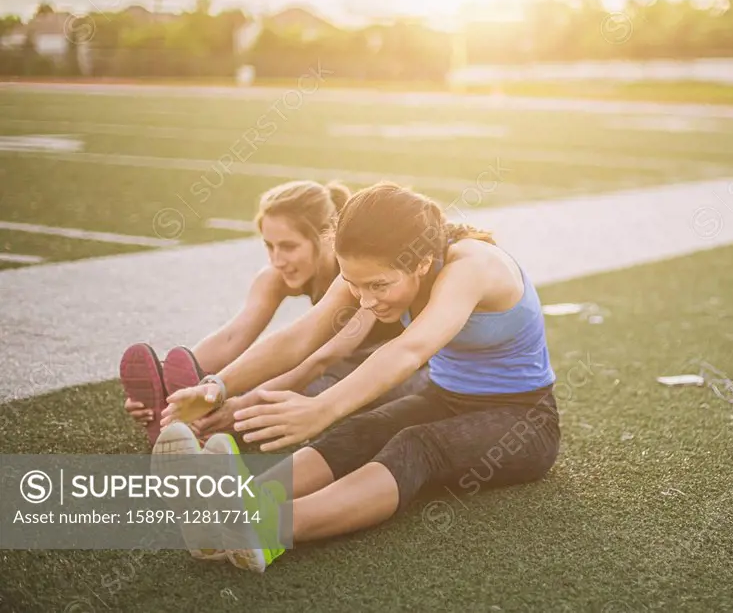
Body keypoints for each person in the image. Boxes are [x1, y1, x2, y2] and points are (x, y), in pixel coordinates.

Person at [155, 181, 562, 572]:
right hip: (445, 396)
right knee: (361, 430)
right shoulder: (372, 266)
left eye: (378, 286)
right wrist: (218, 385)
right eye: (355, 285)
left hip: (524, 419)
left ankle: (272, 526)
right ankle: (236, 507)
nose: (365, 300)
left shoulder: (473, 267)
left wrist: (321, 409)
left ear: (420, 262)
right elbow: (302, 336)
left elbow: (409, 349)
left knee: (416, 445)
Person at [121, 180, 427, 446]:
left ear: (326, 238)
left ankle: (214, 426)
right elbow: (232, 337)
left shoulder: (361, 273)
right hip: (339, 365)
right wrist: (176, 388)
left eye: (289, 246)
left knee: (293, 395)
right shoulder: (275, 276)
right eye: (270, 246)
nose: (277, 259)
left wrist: (241, 406)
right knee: (257, 387)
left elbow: (321, 359)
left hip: (403, 369)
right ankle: (186, 418)